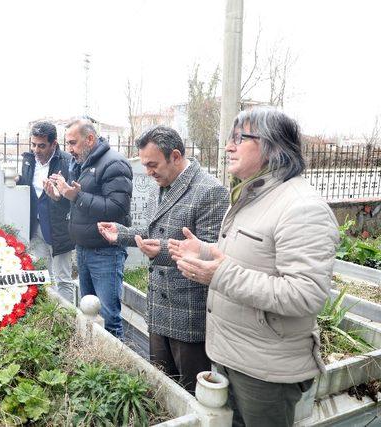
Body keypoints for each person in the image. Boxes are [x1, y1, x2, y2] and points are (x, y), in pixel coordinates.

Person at [168, 108, 339, 426]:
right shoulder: (253, 195)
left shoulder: (301, 207)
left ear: (273, 147)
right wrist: (204, 251)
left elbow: (305, 294)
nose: (228, 147)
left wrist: (217, 274)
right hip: (232, 356)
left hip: (265, 370)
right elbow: (247, 260)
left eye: (239, 138)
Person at [97, 125, 229, 393]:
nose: (148, 172)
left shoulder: (210, 191)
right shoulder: (165, 184)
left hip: (188, 312)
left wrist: (163, 252)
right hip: (158, 309)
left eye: (153, 164)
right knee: (162, 388)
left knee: (191, 393)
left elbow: (210, 250)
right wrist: (121, 234)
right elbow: (154, 232)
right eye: (145, 165)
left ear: (176, 156)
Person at [49, 117, 132, 338]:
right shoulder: (81, 162)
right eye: (68, 143)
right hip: (84, 249)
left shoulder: (114, 163)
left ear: (90, 139)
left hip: (105, 251)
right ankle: (93, 364)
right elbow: (80, 202)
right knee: (89, 312)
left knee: (108, 317)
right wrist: (61, 196)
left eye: (73, 143)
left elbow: (116, 209)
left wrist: (77, 196)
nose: (70, 149)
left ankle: (115, 368)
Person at [16, 121, 74, 299]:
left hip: (60, 229)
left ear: (54, 144)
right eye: (33, 144)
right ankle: (48, 316)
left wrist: (60, 196)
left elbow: (76, 197)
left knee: (63, 278)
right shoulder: (28, 161)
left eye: (41, 146)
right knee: (41, 275)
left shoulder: (67, 162)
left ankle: (67, 320)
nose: (36, 149)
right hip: (36, 227)